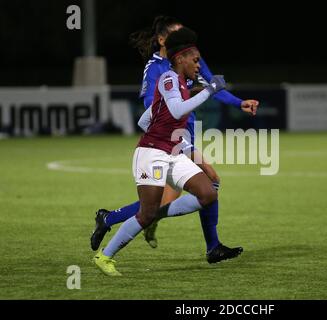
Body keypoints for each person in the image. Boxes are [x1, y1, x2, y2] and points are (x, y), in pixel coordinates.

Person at [90, 16, 259, 261]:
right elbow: (154, 104)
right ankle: (211, 247)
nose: (184, 40)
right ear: (162, 40)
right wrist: (171, 111)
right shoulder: (158, 68)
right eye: (176, 35)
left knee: (172, 198)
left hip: (184, 132)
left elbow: (211, 86)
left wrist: (239, 102)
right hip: (169, 136)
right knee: (208, 183)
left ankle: (111, 218)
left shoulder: (190, 58)